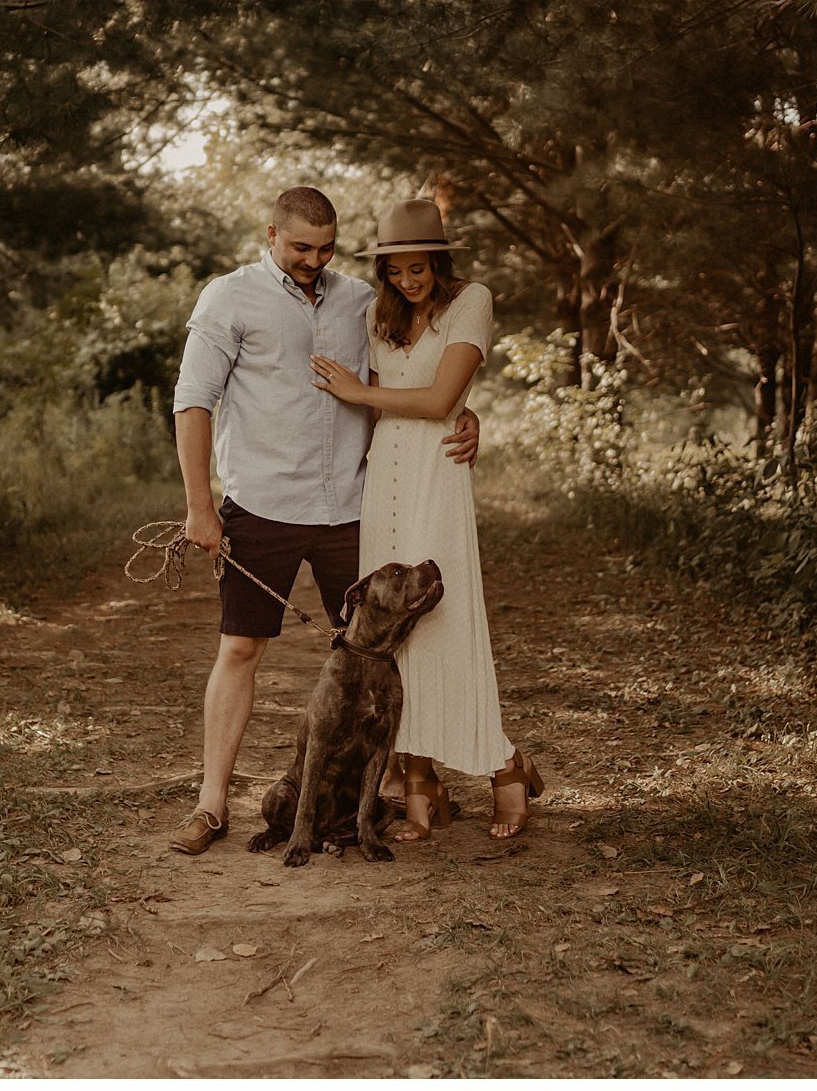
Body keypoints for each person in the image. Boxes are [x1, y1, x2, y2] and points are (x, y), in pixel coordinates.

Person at [167, 187, 479, 855]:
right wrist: (200, 506)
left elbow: (413, 372)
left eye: (327, 246)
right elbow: (193, 401)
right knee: (241, 649)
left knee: (384, 648)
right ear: (272, 232)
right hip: (262, 506)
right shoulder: (229, 297)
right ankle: (212, 803)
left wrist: (464, 414)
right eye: (301, 246)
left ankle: (397, 786)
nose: (315, 259)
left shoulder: (357, 300)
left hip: (350, 508)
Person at [308, 198, 542, 841]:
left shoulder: (472, 300)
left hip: (437, 473)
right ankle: (420, 781)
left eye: (418, 269)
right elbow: (394, 411)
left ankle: (504, 766)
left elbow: (441, 400)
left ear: (438, 260)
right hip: (384, 473)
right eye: (396, 272)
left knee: (448, 618)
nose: (408, 282)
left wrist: (365, 393)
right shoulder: (377, 314)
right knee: (388, 634)